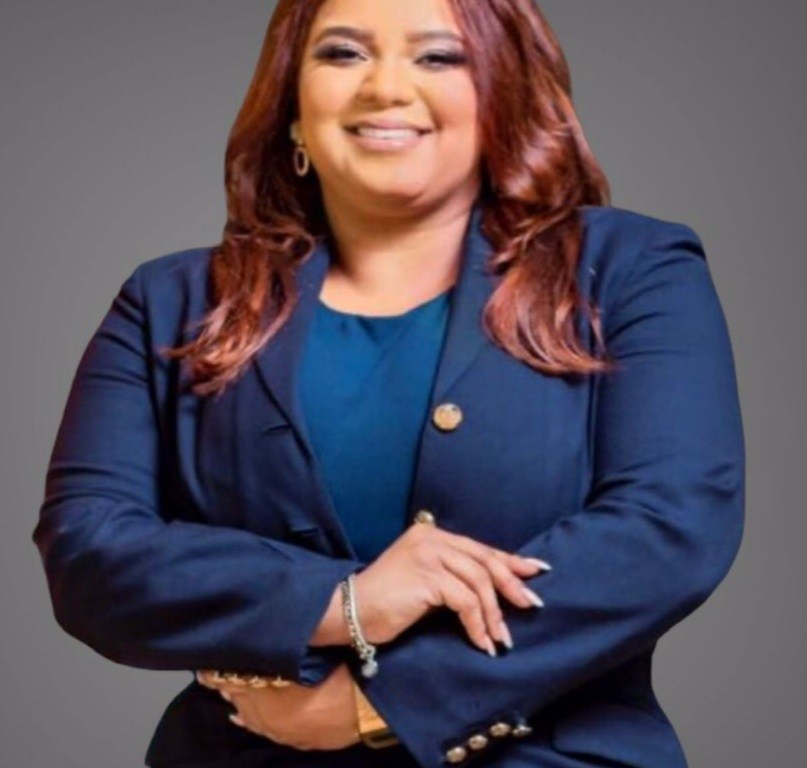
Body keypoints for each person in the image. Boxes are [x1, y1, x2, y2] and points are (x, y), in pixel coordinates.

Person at [31, 1, 745, 767]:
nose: (385, 87)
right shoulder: (170, 300)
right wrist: (346, 603)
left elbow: (667, 528)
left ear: (501, 94)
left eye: (438, 57)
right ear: (292, 106)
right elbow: (88, 552)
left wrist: (383, 702)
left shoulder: (631, 270)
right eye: (343, 54)